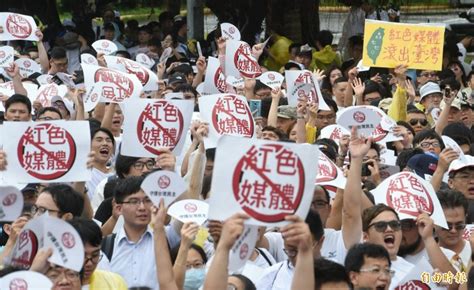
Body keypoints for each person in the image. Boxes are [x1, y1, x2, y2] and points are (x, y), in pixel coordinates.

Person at [107, 176, 181, 289]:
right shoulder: (107, 246)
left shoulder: (165, 236)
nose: (142, 207)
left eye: (147, 200)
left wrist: (170, 173)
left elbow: (188, 205)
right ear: (119, 208)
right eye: (134, 201)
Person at [69, 218, 127, 289]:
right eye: (83, 256)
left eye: (95, 255)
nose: (89, 264)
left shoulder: (115, 283)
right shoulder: (54, 285)